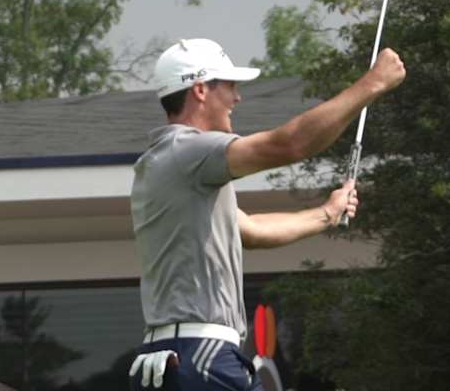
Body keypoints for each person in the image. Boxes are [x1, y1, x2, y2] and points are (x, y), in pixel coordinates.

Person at [127, 38, 405, 390]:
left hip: (167, 356)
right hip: (201, 355)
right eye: (229, 86)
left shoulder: (167, 163)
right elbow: (288, 144)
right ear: (199, 90)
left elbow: (252, 230)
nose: (237, 98)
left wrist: (327, 213)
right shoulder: (189, 150)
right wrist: (373, 84)